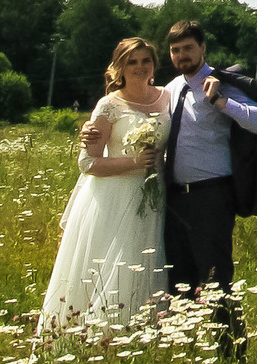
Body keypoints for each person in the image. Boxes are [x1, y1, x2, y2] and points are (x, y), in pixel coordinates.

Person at [38, 37, 172, 331]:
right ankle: (101, 333)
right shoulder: (109, 105)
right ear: (120, 67)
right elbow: (87, 163)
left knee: (147, 263)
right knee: (117, 265)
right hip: (114, 199)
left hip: (154, 200)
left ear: (154, 65)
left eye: (145, 60)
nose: (139, 67)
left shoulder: (167, 98)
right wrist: (135, 163)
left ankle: (144, 332)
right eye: (132, 61)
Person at [154, 19, 257, 356]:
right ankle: (185, 353)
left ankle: (231, 356)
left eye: (188, 48)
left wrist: (221, 102)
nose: (182, 55)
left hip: (211, 196)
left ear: (203, 48)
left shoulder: (220, 84)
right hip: (175, 198)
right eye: (175, 50)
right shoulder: (172, 88)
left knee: (216, 280)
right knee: (180, 280)